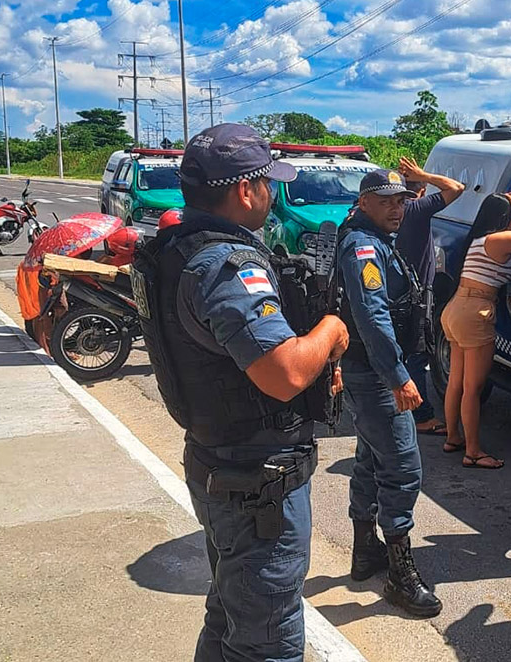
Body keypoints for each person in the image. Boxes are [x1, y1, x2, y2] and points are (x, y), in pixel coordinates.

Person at [130, 123, 349, 662]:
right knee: (267, 640)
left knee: (230, 612)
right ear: (246, 190)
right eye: (267, 183)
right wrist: (330, 332)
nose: (273, 194)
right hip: (256, 480)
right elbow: (283, 373)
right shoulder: (225, 266)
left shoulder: (179, 249)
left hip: (224, 462)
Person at [338, 168, 442, 617]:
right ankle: (401, 576)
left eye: (401, 201)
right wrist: (399, 376)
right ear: (364, 203)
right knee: (402, 469)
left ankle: (366, 552)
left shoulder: (377, 239)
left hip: (371, 372)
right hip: (377, 374)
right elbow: (372, 316)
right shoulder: (363, 246)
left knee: (369, 459)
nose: (397, 209)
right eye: (386, 201)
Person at [441, 192, 511, 468]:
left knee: (456, 381)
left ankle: (453, 437)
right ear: (504, 217)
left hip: (456, 309)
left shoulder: (478, 240)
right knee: (473, 388)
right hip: (476, 312)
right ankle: (473, 451)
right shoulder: (498, 240)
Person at [396, 156, 465, 437]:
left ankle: (399, 404)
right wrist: (424, 174)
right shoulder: (417, 208)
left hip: (395, 290)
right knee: (417, 353)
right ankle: (422, 415)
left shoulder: (396, 210)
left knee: (400, 349)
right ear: (421, 190)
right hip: (416, 293)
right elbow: (456, 187)